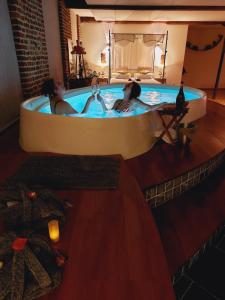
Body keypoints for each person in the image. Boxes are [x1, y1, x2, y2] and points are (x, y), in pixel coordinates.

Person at [96, 81, 167, 113]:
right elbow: (109, 113)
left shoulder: (133, 102)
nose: (126, 86)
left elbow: (149, 108)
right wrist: (102, 101)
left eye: (128, 86)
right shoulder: (118, 101)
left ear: (132, 91)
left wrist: (163, 103)